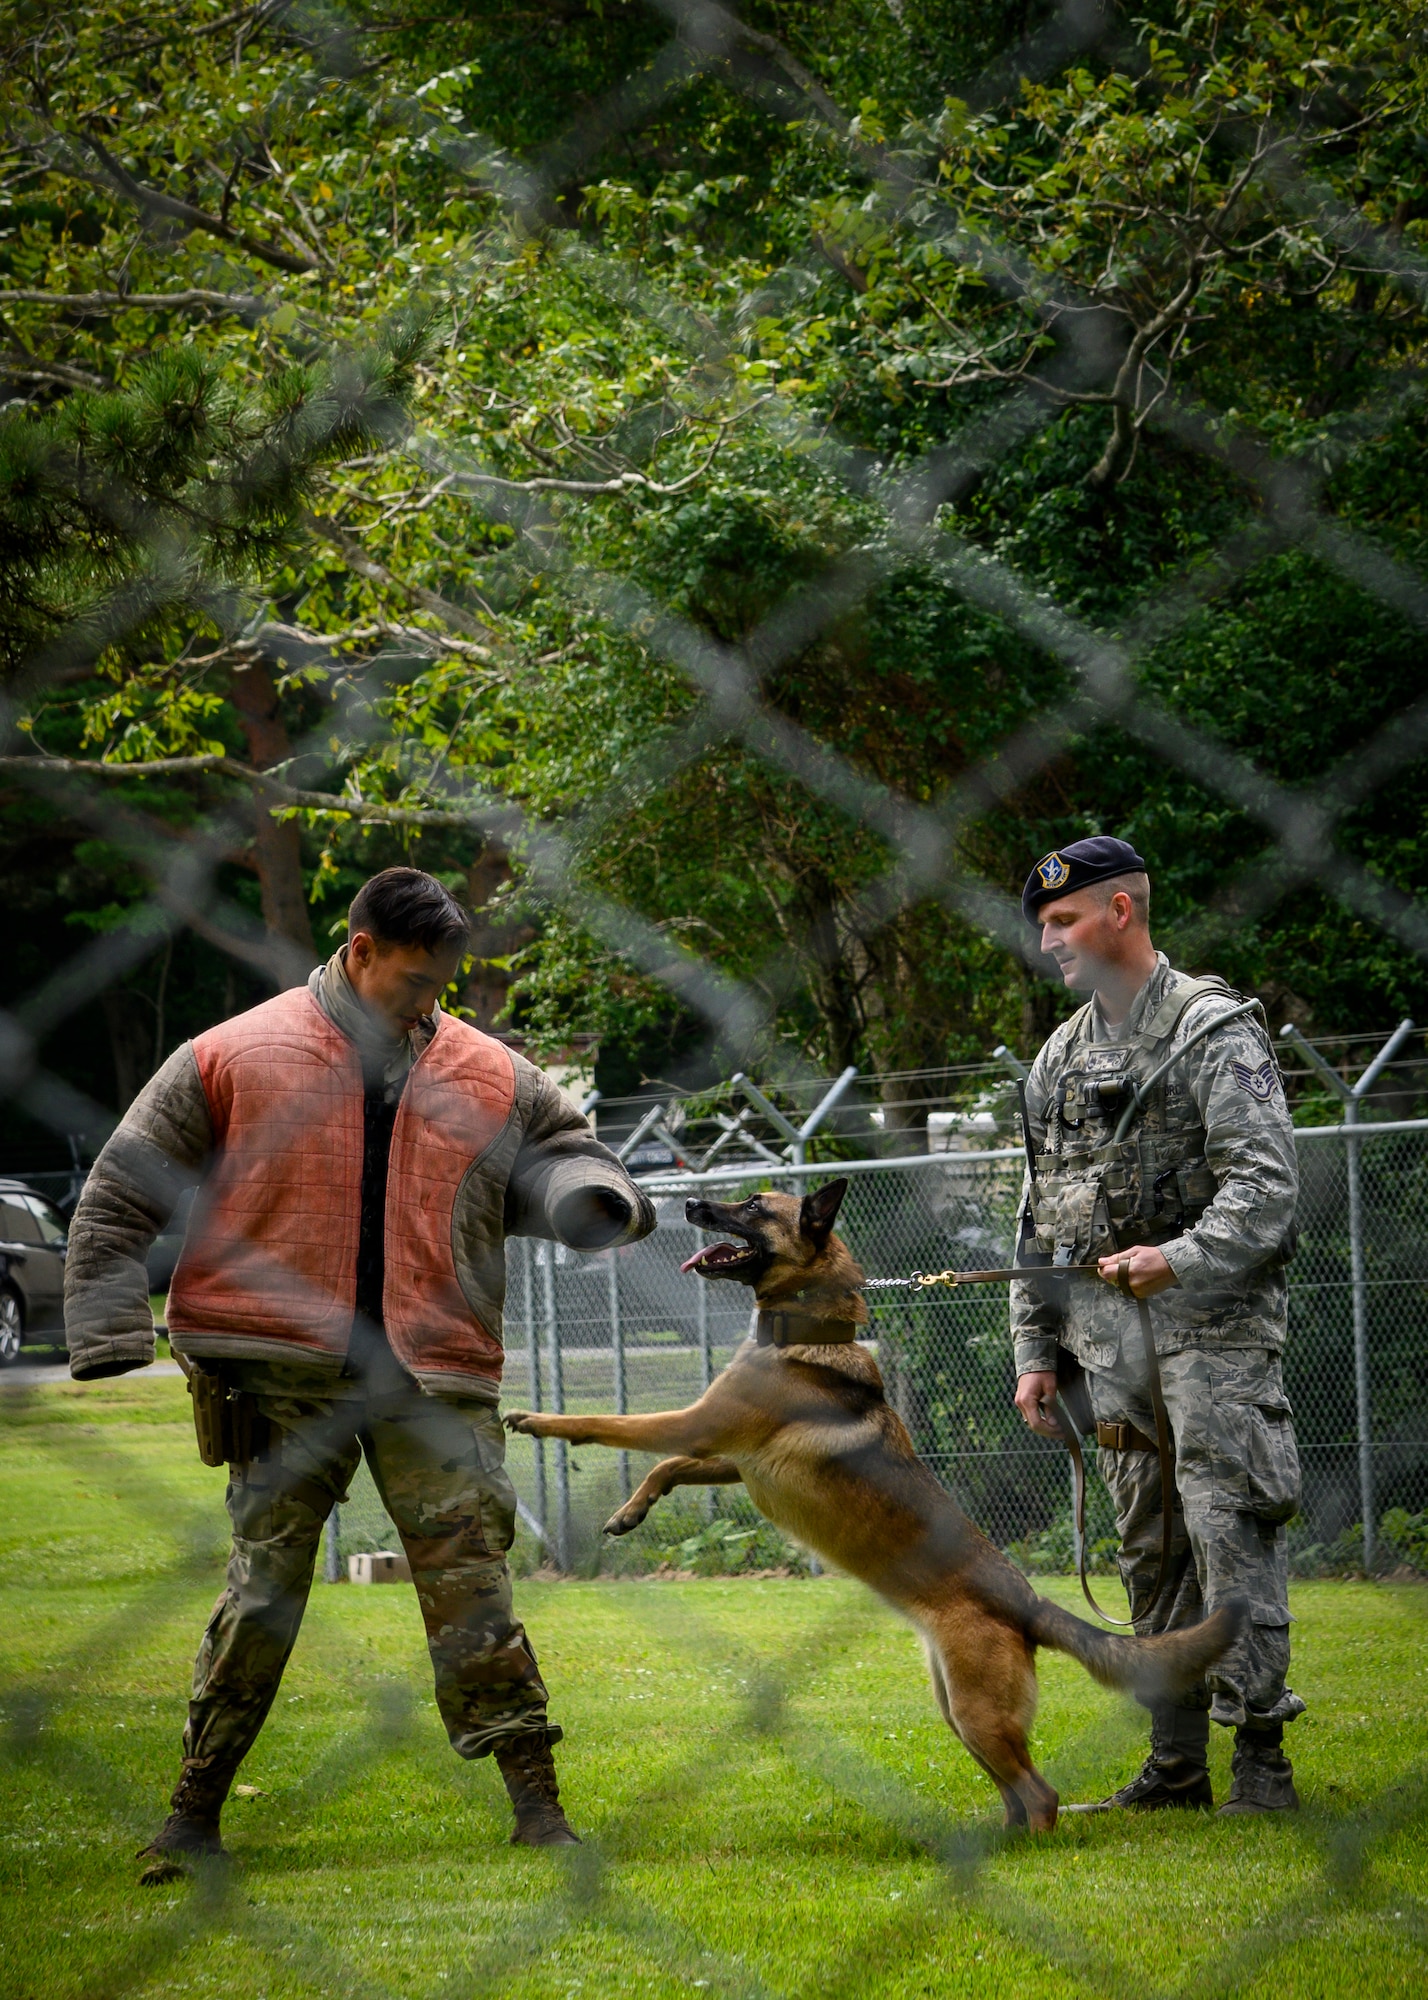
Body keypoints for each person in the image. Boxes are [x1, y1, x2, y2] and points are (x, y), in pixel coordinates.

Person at [65, 867, 655, 1876]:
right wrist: (109, 1325)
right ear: (360, 949)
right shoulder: (233, 1053)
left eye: (444, 984)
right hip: (278, 1374)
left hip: (434, 1366)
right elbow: (122, 1189)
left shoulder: (490, 1069)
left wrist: (585, 1196)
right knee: (263, 1594)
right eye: (413, 979)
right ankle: (192, 1813)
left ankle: (539, 1808)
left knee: (475, 1585)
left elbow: (565, 1145)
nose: (430, 1002)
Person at [1010, 835, 1304, 1815]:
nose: (1050, 941)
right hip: (1109, 1348)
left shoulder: (1209, 1029)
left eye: (1063, 920)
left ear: (1122, 912)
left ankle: (1261, 1758)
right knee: (1150, 1546)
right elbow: (1038, 1216)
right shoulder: (1058, 1057)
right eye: (1043, 926)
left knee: (1228, 1531)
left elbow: (1266, 1187)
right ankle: (1174, 1764)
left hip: (1214, 1336)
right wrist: (1036, 1351)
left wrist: (1171, 1256)